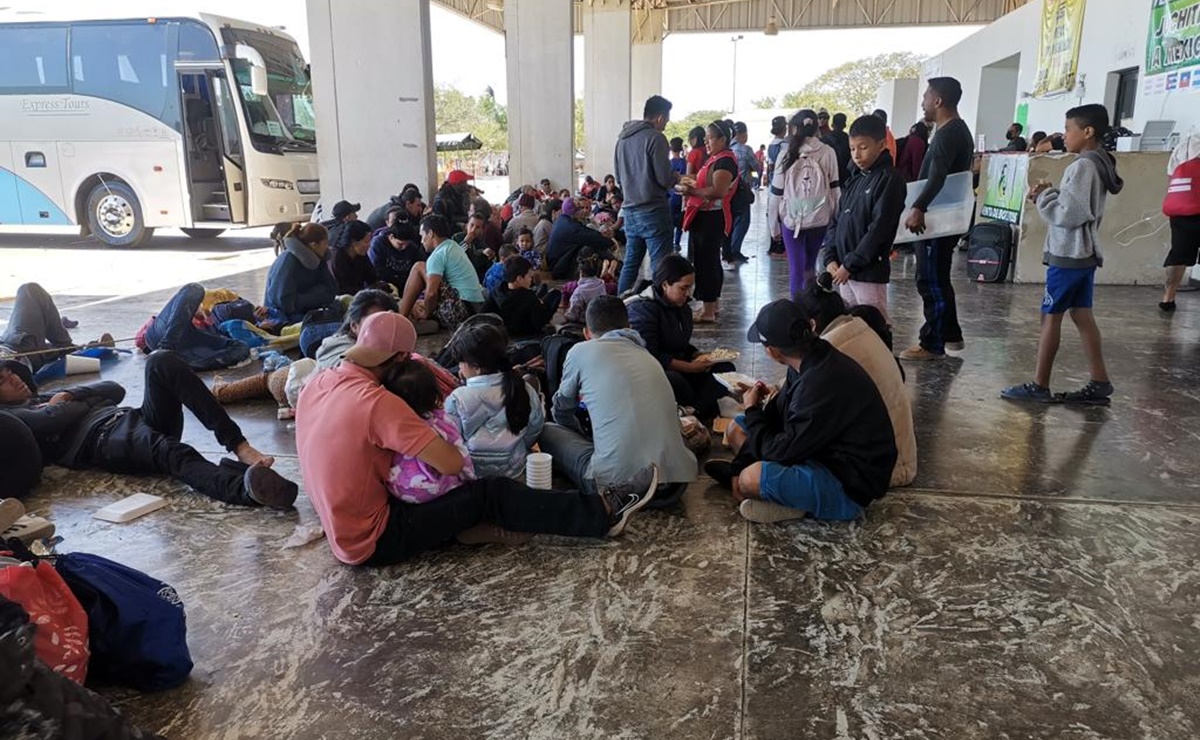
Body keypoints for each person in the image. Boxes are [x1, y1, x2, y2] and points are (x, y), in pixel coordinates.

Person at [295, 311, 660, 566]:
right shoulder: (377, 404)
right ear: (399, 358)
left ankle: (467, 528)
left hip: (336, 523)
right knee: (491, 492)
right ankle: (605, 512)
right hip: (374, 538)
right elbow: (452, 462)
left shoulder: (319, 380)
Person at [0, 349, 297, 508]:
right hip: (105, 440)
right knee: (171, 452)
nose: (14, 378)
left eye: (11, 371)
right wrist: (74, 403)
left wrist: (69, 396)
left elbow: (113, 389)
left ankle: (237, 445)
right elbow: (52, 419)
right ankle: (244, 491)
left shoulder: (44, 399)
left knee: (161, 360)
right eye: (3, 380)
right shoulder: (12, 420)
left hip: (132, 417)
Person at [703, 299, 897, 524]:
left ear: (772, 352)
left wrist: (752, 409)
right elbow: (778, 417)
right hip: (817, 450)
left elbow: (782, 451)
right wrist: (739, 463)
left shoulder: (820, 382)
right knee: (736, 427)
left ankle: (793, 505)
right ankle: (771, 489)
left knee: (750, 479)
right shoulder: (809, 358)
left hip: (847, 484)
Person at [1001, 104, 1124, 406]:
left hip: (1069, 254)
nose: (1064, 135)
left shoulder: (1083, 166)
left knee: (1050, 317)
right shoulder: (1099, 163)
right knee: (1082, 316)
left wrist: (1043, 196)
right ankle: (1099, 381)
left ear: (1088, 132)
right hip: (1083, 254)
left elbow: (1069, 214)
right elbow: (1076, 204)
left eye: (1068, 129)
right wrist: (1053, 192)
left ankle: (1040, 385)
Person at [541, 295, 697, 498]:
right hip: (674, 486)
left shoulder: (580, 351)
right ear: (629, 326)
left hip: (616, 486)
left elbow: (561, 411)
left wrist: (581, 434)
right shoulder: (647, 356)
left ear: (587, 333)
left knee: (546, 430)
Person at [800, 274, 916, 487]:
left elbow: (809, 417)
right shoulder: (857, 328)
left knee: (771, 466)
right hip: (893, 456)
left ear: (812, 324)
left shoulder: (833, 348)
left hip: (884, 469)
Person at [900, 77, 975, 361]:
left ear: (938, 100)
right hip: (940, 216)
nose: (922, 102)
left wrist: (918, 207)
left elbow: (938, 176)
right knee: (937, 276)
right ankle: (950, 333)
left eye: (925, 96)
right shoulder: (950, 130)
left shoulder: (948, 134)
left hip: (935, 219)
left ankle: (933, 343)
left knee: (930, 279)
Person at [820, 114, 908, 322]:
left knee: (874, 324)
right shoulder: (854, 179)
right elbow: (837, 220)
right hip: (843, 269)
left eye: (863, 147)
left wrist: (851, 264)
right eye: (852, 149)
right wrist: (830, 256)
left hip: (867, 270)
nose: (857, 155)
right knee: (852, 324)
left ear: (881, 144)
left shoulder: (889, 179)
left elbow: (879, 229)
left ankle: (881, 355)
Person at [627, 255, 734, 421]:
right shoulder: (643, 309)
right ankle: (701, 405)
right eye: (683, 288)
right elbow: (650, 356)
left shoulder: (680, 306)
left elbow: (681, 343)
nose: (688, 294)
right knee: (675, 381)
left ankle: (694, 408)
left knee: (725, 368)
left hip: (681, 365)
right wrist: (690, 368)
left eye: (690, 288)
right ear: (665, 284)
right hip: (656, 372)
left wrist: (696, 355)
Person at [443, 322, 544, 479]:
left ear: (476, 366)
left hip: (473, 475)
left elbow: (451, 442)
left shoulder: (457, 399)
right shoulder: (523, 387)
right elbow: (534, 428)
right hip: (516, 469)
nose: (459, 368)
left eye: (461, 362)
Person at [381, 359, 474, 504]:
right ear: (435, 394)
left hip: (399, 489)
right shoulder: (440, 422)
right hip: (432, 490)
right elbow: (460, 459)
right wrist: (471, 480)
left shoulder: (387, 424)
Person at [772, 109, 841, 297]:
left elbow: (776, 194)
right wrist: (833, 217)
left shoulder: (786, 154)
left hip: (791, 217)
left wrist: (773, 225)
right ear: (817, 128)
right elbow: (835, 189)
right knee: (810, 264)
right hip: (820, 216)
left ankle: (797, 308)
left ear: (794, 128)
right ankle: (811, 307)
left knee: (796, 267)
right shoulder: (828, 152)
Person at [614, 95, 679, 295]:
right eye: (666, 120)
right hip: (653, 211)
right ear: (659, 117)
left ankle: (620, 306)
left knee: (631, 264)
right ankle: (660, 312)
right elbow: (664, 178)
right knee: (661, 266)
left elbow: (618, 178)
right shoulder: (656, 138)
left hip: (630, 211)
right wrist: (675, 177)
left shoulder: (622, 140)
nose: (666, 125)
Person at [679, 121, 738, 323]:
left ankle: (708, 310)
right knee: (709, 261)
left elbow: (718, 191)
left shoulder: (725, 161)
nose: (706, 141)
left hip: (711, 218)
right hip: (705, 216)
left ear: (723, 139)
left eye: (710, 137)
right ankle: (712, 304)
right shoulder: (715, 158)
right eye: (706, 137)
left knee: (707, 263)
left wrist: (691, 191)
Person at [398, 215, 486, 329]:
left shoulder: (438, 254)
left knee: (418, 267)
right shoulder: (453, 246)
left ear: (430, 233)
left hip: (459, 311)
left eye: (422, 236)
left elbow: (431, 294)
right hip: (474, 310)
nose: (421, 241)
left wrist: (427, 314)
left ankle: (400, 319)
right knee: (418, 302)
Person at [1, 283, 110, 374]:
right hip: (15, 354)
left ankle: (63, 343)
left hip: (6, 346)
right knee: (30, 290)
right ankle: (70, 348)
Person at [141, 283, 251, 371]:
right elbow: (187, 301)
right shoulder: (215, 297)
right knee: (194, 288)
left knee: (242, 348)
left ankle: (184, 365)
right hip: (168, 333)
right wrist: (201, 311)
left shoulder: (232, 321)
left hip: (191, 344)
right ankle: (165, 349)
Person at [264, 222, 339, 324]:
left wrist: (307, 298)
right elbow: (284, 302)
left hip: (307, 311)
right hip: (284, 318)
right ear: (313, 245)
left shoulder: (319, 259)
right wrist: (316, 295)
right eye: (325, 244)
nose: (327, 247)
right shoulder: (287, 261)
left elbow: (331, 289)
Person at [1159, 133, 1200, 312]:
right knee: (1179, 255)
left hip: (1183, 207)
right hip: (1188, 206)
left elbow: (1171, 174)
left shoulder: (1185, 143)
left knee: (1179, 254)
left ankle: (1168, 298)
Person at [481, 255, 561, 339]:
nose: (531, 279)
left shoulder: (497, 289)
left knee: (542, 288)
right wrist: (540, 305)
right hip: (526, 334)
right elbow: (539, 323)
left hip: (505, 331)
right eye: (529, 276)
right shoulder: (528, 296)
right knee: (555, 294)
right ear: (519, 278)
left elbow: (483, 312)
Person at [546, 197, 618, 280]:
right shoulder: (571, 227)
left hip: (559, 263)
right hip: (561, 269)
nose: (583, 211)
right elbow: (591, 237)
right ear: (575, 210)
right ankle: (615, 265)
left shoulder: (563, 220)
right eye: (580, 208)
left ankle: (613, 265)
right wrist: (610, 243)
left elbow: (589, 233)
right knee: (590, 246)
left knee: (592, 243)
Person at [726, 122, 761, 265]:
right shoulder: (746, 150)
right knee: (742, 221)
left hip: (727, 191)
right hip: (741, 191)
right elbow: (756, 168)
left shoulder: (727, 149)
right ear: (742, 134)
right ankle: (735, 250)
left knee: (730, 221)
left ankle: (727, 251)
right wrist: (752, 180)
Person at [329, 220, 386, 295]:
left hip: (360, 293)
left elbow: (372, 278)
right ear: (353, 242)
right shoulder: (337, 257)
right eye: (366, 242)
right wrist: (368, 290)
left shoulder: (361, 254)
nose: (369, 245)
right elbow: (342, 288)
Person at [369, 218, 426, 290]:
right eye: (400, 244)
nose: (404, 247)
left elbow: (420, 263)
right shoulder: (378, 244)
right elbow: (377, 271)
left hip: (405, 285)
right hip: (384, 285)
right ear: (391, 237)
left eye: (407, 244)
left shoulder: (412, 247)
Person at [563, 252, 607, 325]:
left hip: (586, 320)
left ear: (581, 272)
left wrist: (566, 314)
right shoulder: (601, 284)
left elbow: (573, 315)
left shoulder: (579, 291)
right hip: (600, 317)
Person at [669, 137, 688, 251]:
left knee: (670, 222)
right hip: (681, 195)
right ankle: (677, 242)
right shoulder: (684, 163)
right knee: (680, 221)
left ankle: (670, 242)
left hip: (670, 196)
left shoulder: (667, 163)